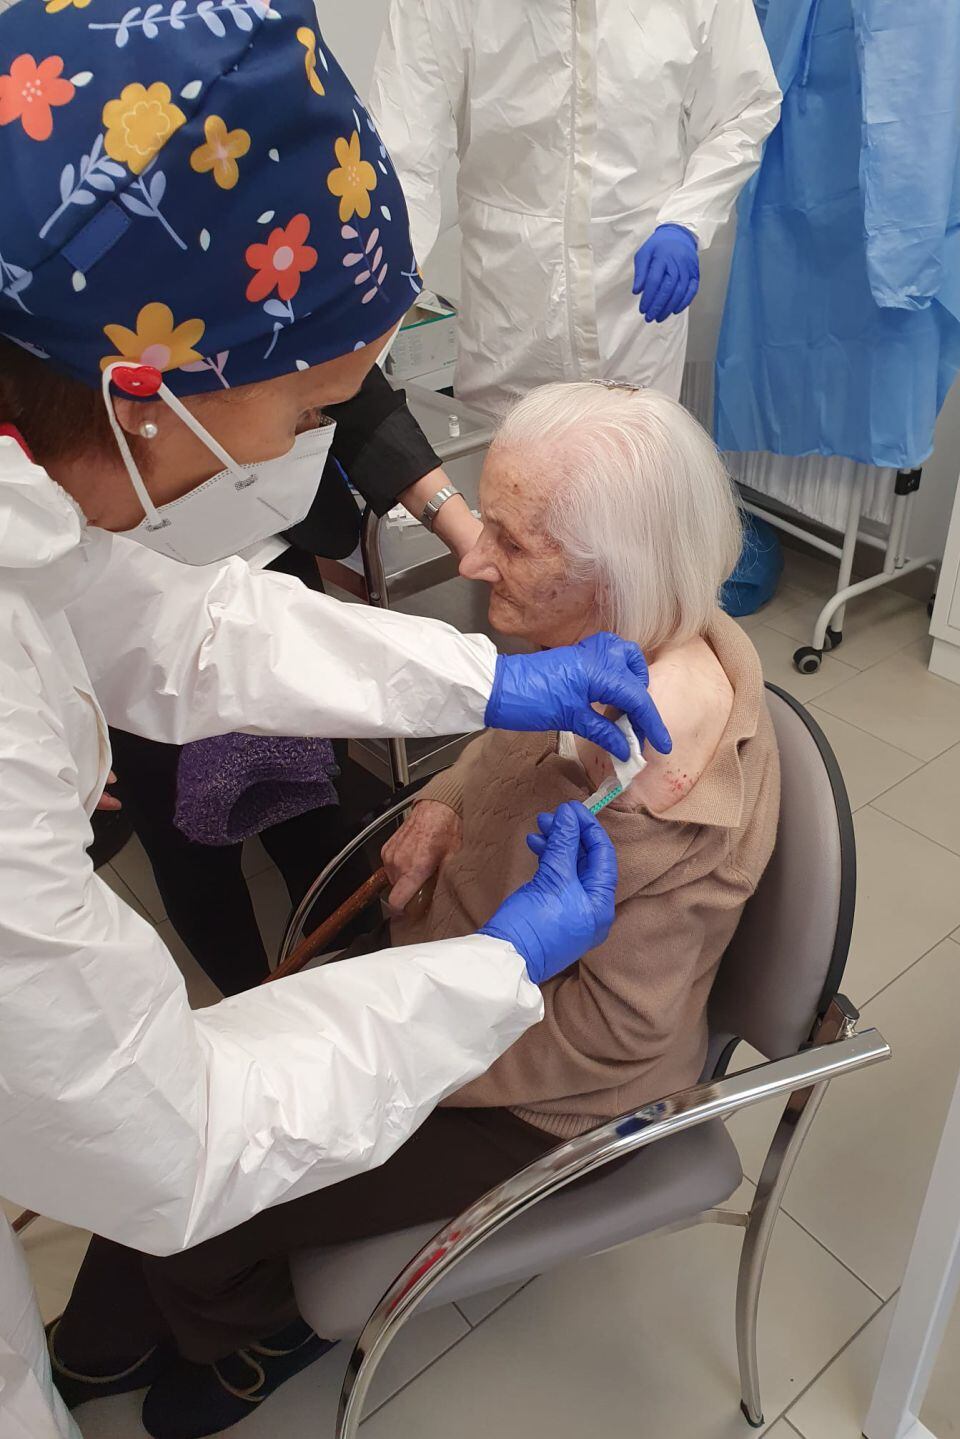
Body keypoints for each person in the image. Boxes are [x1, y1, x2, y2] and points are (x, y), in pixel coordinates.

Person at [0, 4, 672, 1435]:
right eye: (313, 403)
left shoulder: (35, 494)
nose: (321, 441)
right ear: (151, 386)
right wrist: (496, 966)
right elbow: (171, 1129)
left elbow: (172, 623)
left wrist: (483, 683)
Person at [50, 383, 780, 1437]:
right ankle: (100, 1340)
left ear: (613, 571)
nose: (473, 557)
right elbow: (501, 734)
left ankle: (241, 1323)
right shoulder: (602, 641)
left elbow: (613, 1034)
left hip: (547, 1089)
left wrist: (402, 1039)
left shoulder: (669, 789)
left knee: (213, 1188)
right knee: (186, 1099)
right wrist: (438, 806)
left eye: (515, 543)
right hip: (446, 972)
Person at [106, 359, 483, 999]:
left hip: (270, 559)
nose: (308, 417)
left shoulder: (286, 306)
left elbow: (351, 386)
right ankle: (253, 1005)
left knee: (316, 819)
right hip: (124, 600)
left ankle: (352, 993)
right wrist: (47, 704)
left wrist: (464, 531)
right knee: (192, 853)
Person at [369, 0, 781, 417]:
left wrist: (687, 219)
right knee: (507, 466)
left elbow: (744, 109)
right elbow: (402, 167)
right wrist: (358, 344)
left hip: (634, 303)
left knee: (633, 465)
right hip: (509, 309)